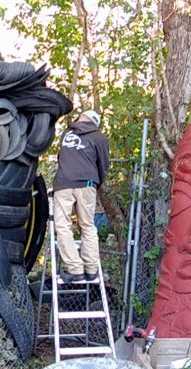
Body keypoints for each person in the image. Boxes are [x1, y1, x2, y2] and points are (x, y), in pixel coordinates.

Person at [53, 110, 110, 283]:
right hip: (87, 184)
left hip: (64, 183)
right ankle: (91, 268)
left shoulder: (67, 133)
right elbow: (103, 164)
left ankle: (75, 268)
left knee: (63, 226)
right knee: (87, 226)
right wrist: (95, 183)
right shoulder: (99, 138)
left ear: (81, 117)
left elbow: (60, 157)